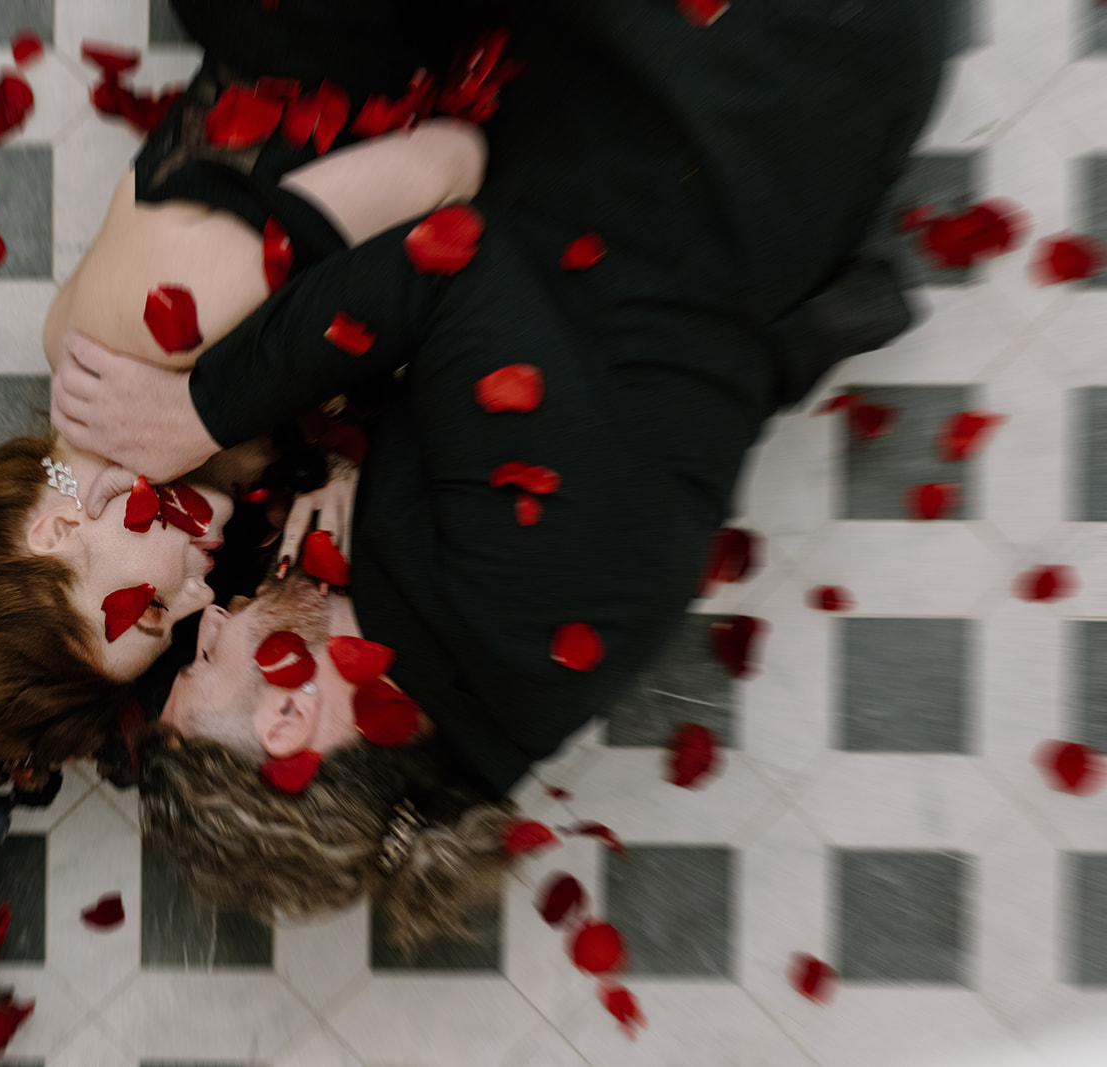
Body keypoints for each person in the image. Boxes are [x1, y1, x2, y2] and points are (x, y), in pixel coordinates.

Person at [51, 0, 951, 945]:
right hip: (750, 57)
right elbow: (451, 265)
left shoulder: (463, 686)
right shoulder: (514, 594)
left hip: (688, 127)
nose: (215, 621)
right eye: (205, 660)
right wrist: (198, 412)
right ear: (287, 718)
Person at [0, 2, 495, 781]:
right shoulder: (72, 371)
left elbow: (458, 163)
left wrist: (283, 416)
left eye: (149, 609)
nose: (197, 601)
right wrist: (330, 459)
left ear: (50, 536)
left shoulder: (167, 333)